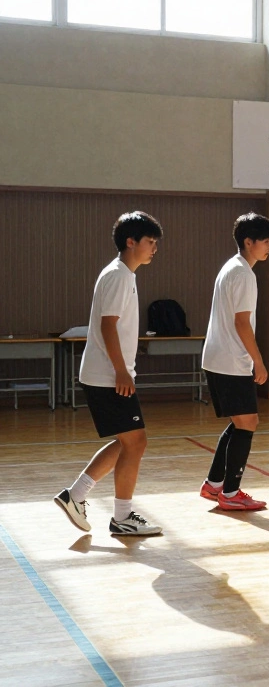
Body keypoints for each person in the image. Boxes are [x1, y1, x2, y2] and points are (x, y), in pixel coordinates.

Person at [53, 212, 165, 536]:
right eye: (150, 242)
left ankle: (75, 495)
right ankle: (122, 516)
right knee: (136, 441)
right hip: (107, 375)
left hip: (107, 373)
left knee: (129, 441)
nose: (154, 248)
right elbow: (107, 325)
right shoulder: (118, 275)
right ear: (131, 242)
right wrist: (121, 371)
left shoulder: (124, 274)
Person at [198, 213, 269, 511]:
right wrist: (259, 362)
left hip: (219, 358)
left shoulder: (231, 268)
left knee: (241, 421)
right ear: (248, 241)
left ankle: (214, 484)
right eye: (266, 241)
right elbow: (242, 323)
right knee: (248, 423)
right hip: (231, 360)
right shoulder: (243, 274)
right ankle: (230, 494)